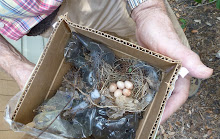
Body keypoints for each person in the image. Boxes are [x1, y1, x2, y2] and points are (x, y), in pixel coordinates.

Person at [0, 0, 213, 124]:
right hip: (40, 23)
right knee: (103, 62)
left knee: (162, 46)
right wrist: (15, 65)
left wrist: (147, 11)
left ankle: (182, 75)